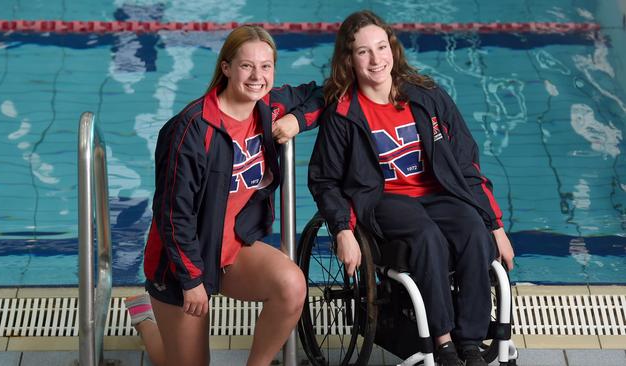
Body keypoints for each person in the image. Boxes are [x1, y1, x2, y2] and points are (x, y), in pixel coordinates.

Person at [307, 10, 515, 366]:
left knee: (472, 231)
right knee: (426, 236)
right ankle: (444, 342)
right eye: (363, 52)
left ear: (393, 49)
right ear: (348, 60)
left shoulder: (426, 96)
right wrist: (342, 229)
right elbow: (324, 179)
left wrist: (495, 225)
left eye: (381, 47)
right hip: (383, 200)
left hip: (438, 195)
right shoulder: (343, 113)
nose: (376, 60)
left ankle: (470, 343)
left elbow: (466, 163)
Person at [125, 24, 323, 366]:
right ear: (227, 67)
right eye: (247, 66)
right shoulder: (191, 129)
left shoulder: (268, 107)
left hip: (231, 249)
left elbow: (323, 95)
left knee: (291, 286)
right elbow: (174, 214)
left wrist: (296, 121)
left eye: (266, 66)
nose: (257, 76)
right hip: (179, 265)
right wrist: (191, 281)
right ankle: (145, 319)